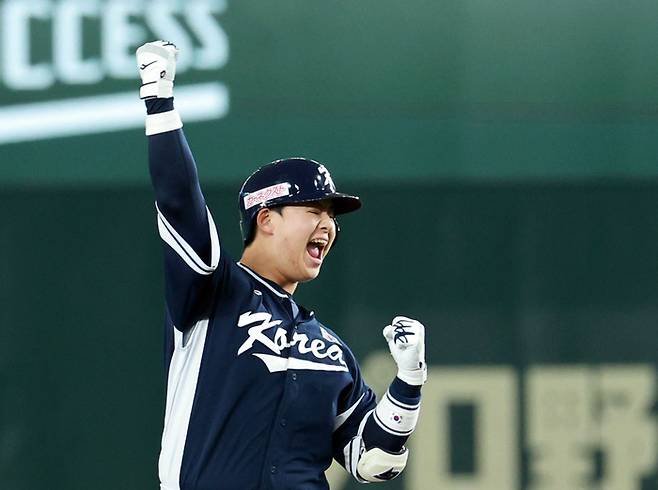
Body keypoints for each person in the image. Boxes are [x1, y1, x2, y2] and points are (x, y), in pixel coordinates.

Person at [137, 40, 427, 490]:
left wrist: (409, 380)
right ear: (266, 218)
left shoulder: (332, 352)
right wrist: (159, 99)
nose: (328, 226)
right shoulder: (212, 292)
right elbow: (178, 200)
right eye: (313, 210)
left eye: (332, 216)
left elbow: (373, 461)